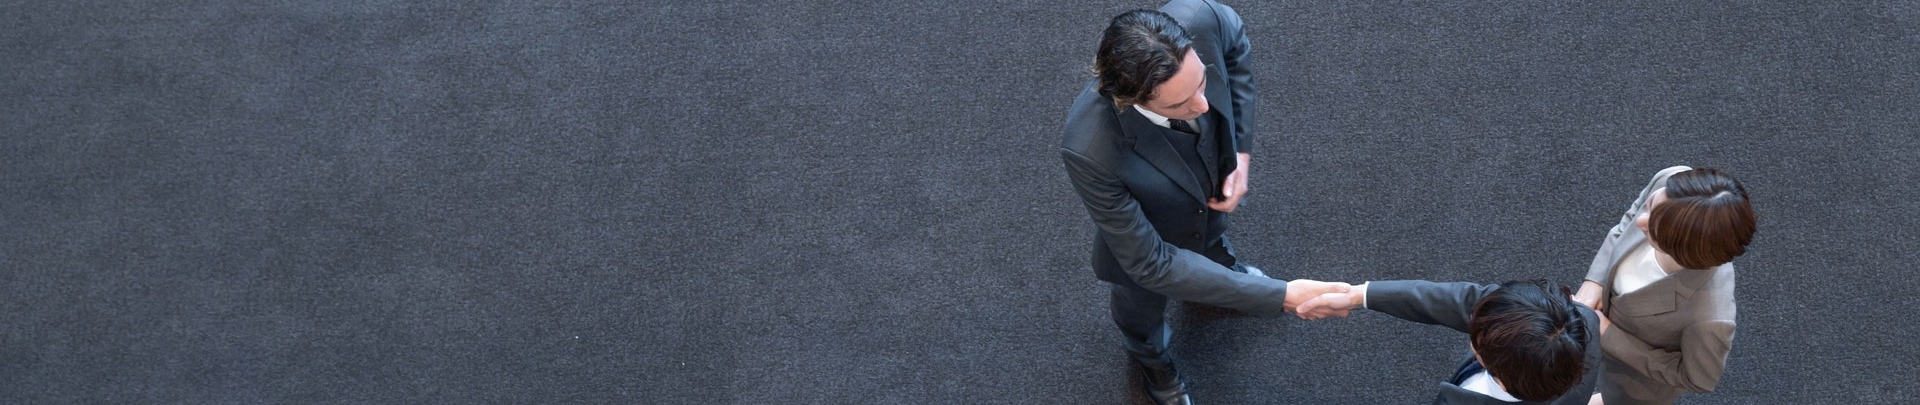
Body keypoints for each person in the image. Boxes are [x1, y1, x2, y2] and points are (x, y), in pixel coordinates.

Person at [1060, 3, 1348, 404]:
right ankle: (1152, 360)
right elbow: (1151, 263)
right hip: (1146, 244)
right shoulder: (1090, 148)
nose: (1203, 105)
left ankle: (1224, 279)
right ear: (1130, 100)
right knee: (1140, 312)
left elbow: (1236, 47)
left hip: (1206, 193)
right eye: (1179, 105)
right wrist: (1281, 295)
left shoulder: (1199, 17)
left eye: (1202, 82)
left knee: (1214, 245)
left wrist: (1240, 153)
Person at [1570, 166, 1755, 405]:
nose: (1640, 221)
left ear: (1683, 249)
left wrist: (1609, 335)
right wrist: (1595, 280)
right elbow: (1627, 221)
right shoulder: (1670, 181)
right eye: (1650, 207)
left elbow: (1697, 378)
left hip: (1634, 385)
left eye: (1654, 228)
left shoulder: (1710, 317)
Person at [1295, 280, 1603, 404]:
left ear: (1504, 378)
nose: (1471, 324)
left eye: (1478, 338)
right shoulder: (1579, 322)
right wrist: (1360, 296)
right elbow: (1467, 298)